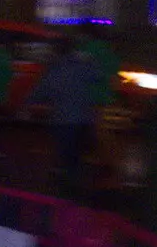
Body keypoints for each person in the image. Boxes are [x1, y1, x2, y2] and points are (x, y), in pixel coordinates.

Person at [26, 36, 102, 195]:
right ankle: (76, 190)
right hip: (83, 118)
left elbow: (43, 89)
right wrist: (89, 59)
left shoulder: (56, 68)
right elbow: (98, 76)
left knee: (65, 155)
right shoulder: (83, 64)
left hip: (63, 119)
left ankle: (65, 192)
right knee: (77, 156)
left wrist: (28, 103)